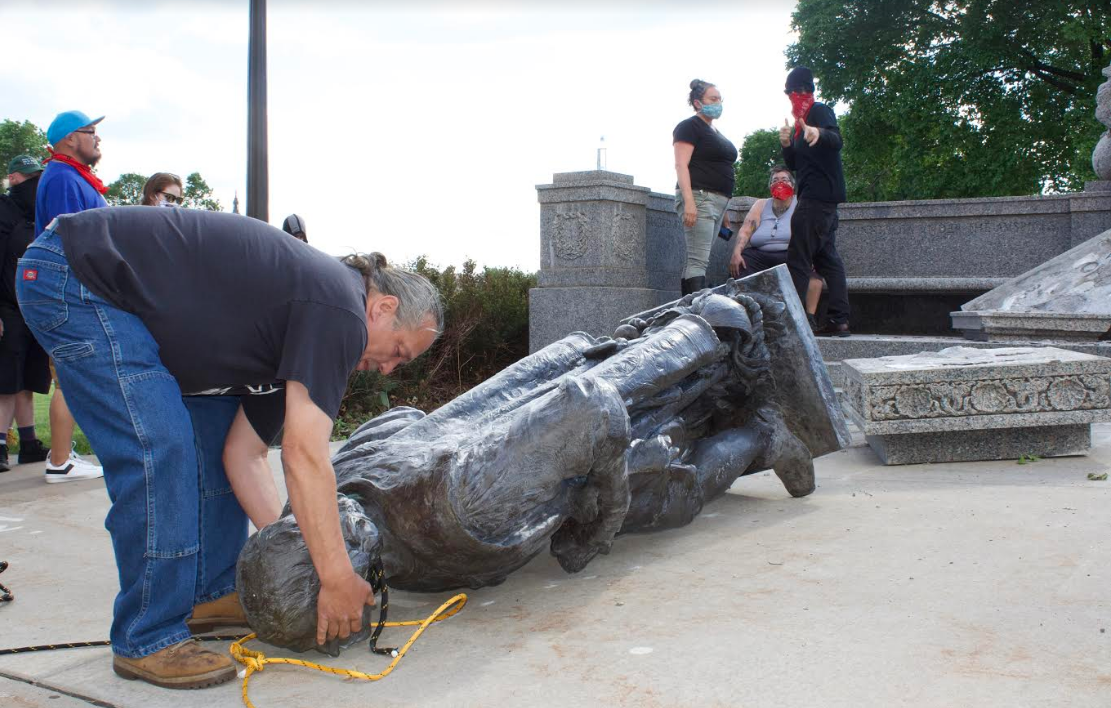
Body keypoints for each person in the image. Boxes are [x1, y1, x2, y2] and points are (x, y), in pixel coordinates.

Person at [17, 206, 443, 690]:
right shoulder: (338, 309)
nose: (388, 368)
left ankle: (209, 593)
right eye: (399, 351)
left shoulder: (302, 329)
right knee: (161, 450)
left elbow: (245, 456)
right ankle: (147, 636)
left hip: (101, 287)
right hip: (79, 278)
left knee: (215, 437)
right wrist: (336, 575)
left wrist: (299, 557)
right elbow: (305, 457)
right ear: (383, 308)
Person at [35, 110, 108, 482]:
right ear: (69, 139)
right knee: (71, 376)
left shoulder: (71, 176)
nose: (97, 139)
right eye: (90, 132)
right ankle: (60, 460)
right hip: (71, 290)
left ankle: (61, 457)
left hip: (73, 288)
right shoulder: (63, 177)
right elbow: (71, 241)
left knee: (73, 375)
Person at [779, 67, 852, 337]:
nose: (796, 96)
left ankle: (795, 323)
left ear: (810, 90)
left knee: (797, 258)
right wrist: (787, 144)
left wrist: (819, 134)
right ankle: (839, 320)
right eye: (791, 92)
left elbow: (836, 139)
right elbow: (796, 165)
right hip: (821, 199)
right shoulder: (799, 123)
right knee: (827, 258)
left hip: (817, 198)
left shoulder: (819, 111)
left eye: (801, 91)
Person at [0, 156, 51, 472]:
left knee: (28, 379)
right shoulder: (3, 211)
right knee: (5, 380)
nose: (37, 184)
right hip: (6, 306)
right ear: (14, 178)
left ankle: (29, 443)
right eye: (31, 178)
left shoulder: (36, 213)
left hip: (31, 306)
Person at [728, 165, 824, 319]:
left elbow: (813, 232)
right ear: (770, 186)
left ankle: (807, 318)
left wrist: (810, 255)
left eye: (784, 180)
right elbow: (746, 229)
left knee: (813, 276)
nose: (780, 183)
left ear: (793, 185)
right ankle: (748, 314)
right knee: (741, 264)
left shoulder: (801, 203)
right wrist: (736, 252)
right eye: (775, 180)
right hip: (760, 254)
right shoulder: (760, 204)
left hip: (791, 254)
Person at [673, 78, 738, 295]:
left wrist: (725, 209)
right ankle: (696, 312)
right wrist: (689, 202)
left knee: (698, 258)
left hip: (717, 202)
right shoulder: (689, 126)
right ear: (698, 102)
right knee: (698, 259)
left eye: (720, 99)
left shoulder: (715, 132)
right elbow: (681, 165)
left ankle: (687, 308)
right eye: (713, 98)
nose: (718, 103)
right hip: (700, 198)